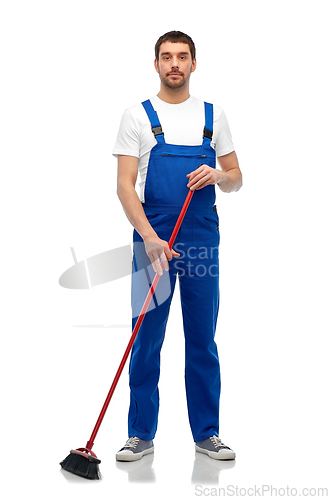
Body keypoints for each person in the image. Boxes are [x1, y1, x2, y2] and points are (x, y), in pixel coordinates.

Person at [113, 31, 242, 462]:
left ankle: (208, 433)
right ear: (156, 64)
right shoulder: (136, 116)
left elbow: (237, 177)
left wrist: (219, 176)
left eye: (182, 57)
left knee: (202, 338)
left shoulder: (213, 115)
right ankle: (139, 433)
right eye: (166, 57)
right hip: (152, 239)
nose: (174, 64)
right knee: (146, 338)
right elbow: (124, 186)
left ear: (193, 63)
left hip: (202, 241)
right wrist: (150, 239)